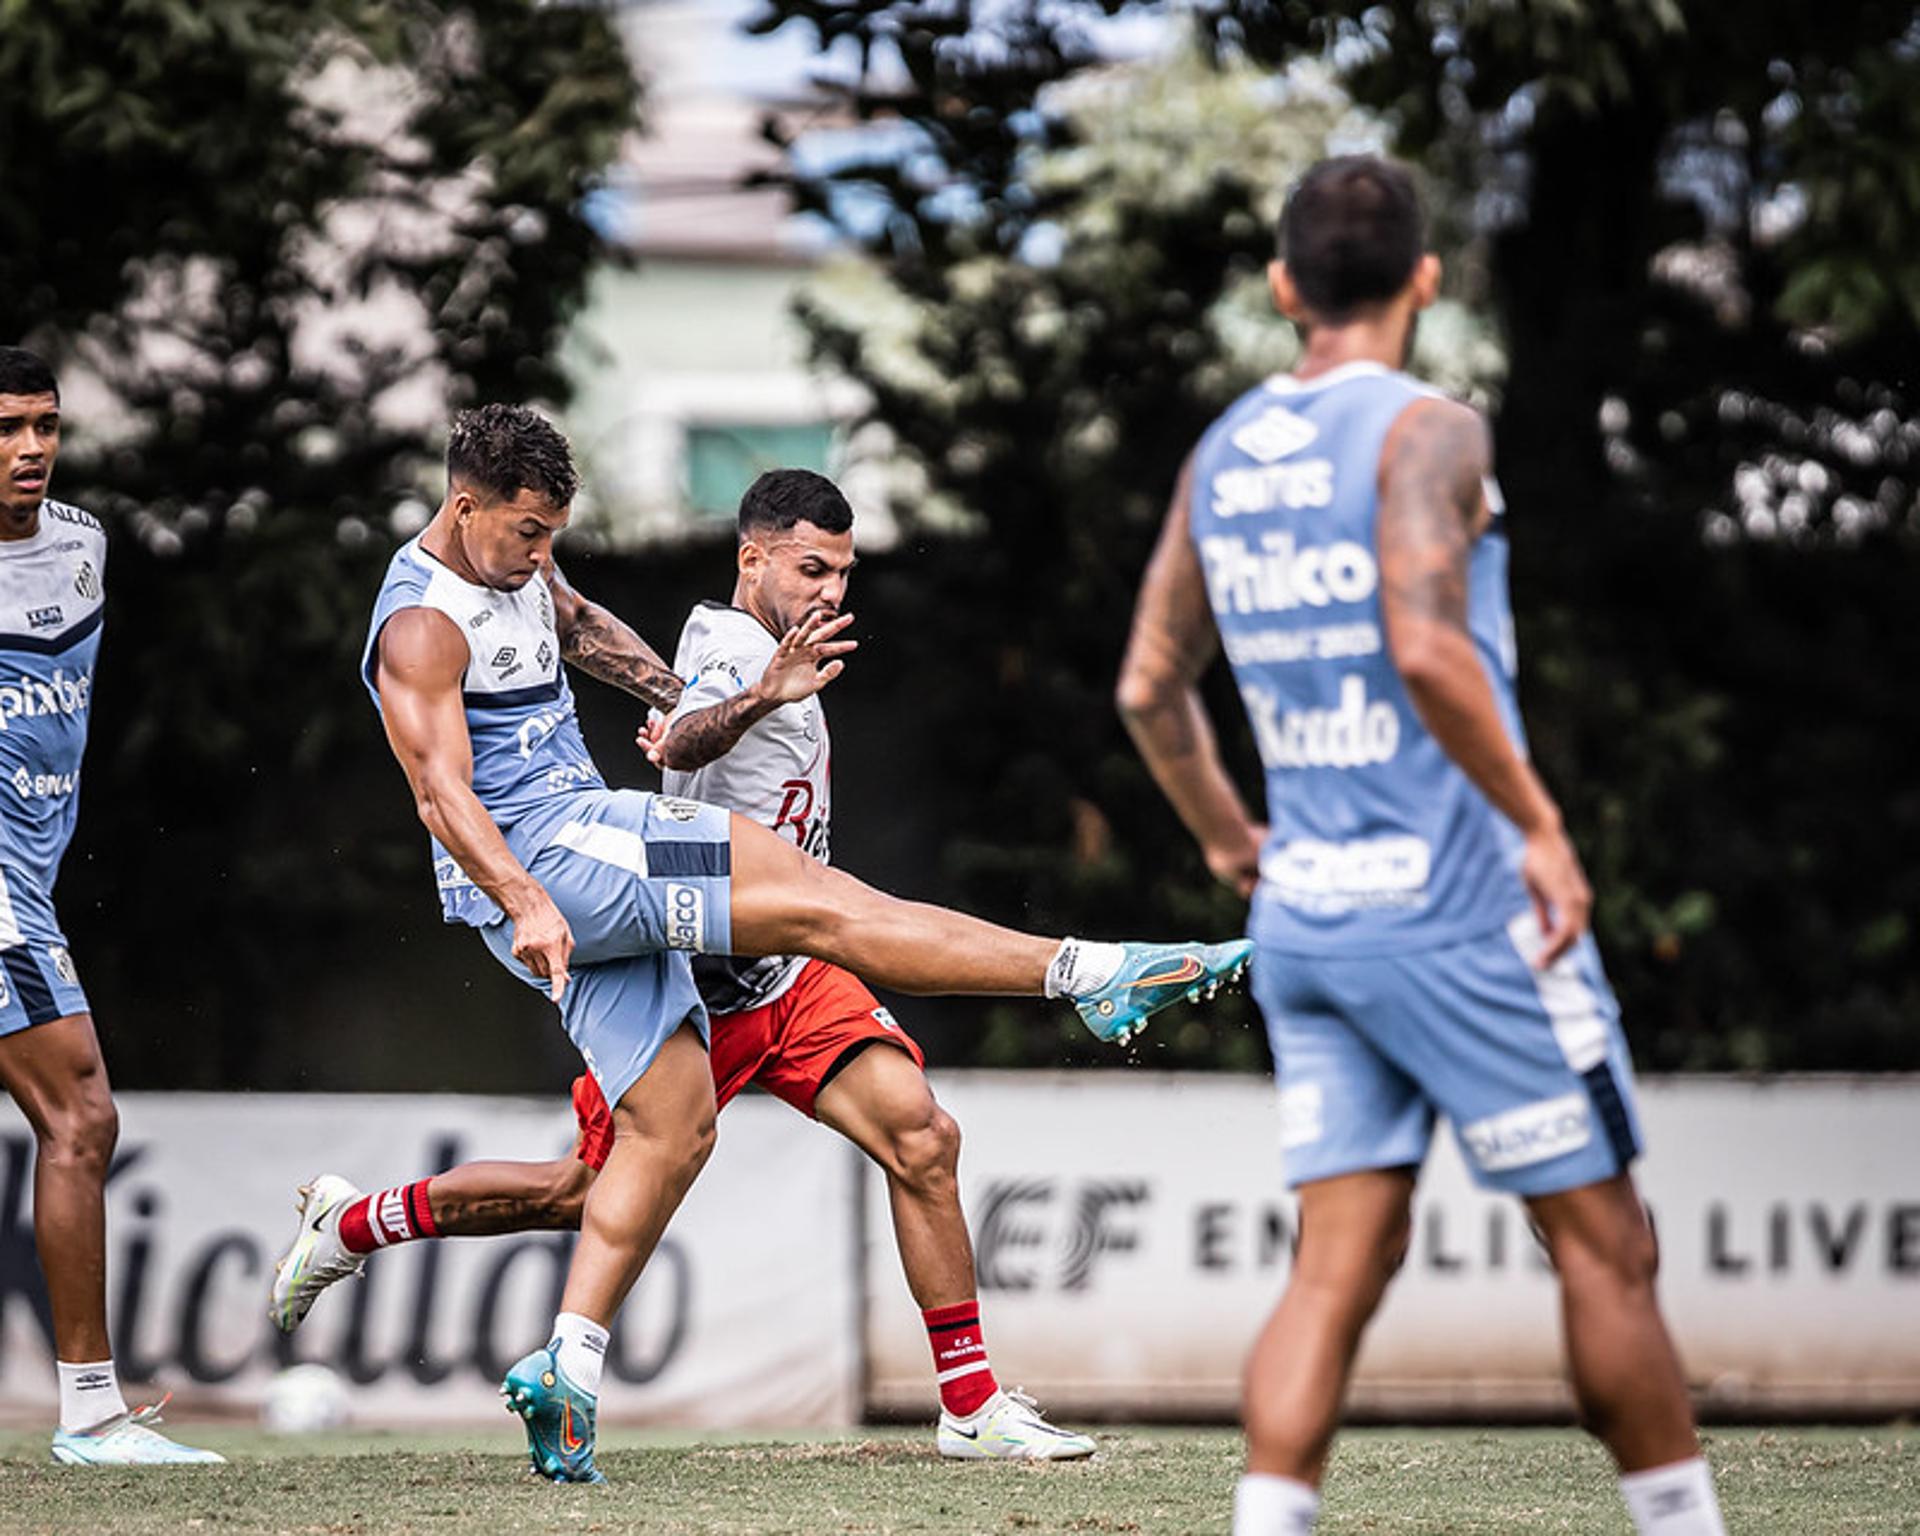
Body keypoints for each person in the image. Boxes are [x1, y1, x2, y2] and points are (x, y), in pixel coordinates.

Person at [284, 404, 1247, 1484]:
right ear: (464, 506)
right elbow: (438, 793)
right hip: (562, 860)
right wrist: (528, 900)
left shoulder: (521, 570)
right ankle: (1087, 973)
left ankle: (557, 1358)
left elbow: (586, 625)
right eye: (527, 534)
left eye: (554, 533)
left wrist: (668, 696)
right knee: (819, 906)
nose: (543, 556)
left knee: (682, 1131)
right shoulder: (421, 625)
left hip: (614, 884)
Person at [1116, 158, 1726, 1536]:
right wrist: (1544, 828)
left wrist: (1233, 847)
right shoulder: (1431, 431)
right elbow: (1429, 646)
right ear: (1426, 283)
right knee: (1609, 1250)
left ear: (1282, 290)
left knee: (1336, 1265)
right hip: (1457, 914)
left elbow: (1151, 687)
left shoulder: (1222, 454)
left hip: (1311, 926)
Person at [0, 346, 222, 1467]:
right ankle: (90, 1413)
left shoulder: (83, 545)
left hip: (29, 883)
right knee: (81, 1119)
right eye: (5, 427)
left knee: (75, 1122)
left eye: (43, 424)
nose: (29, 447)